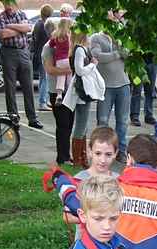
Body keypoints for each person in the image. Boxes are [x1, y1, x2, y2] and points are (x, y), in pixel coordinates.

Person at [0, 0, 43, 129]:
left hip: (23, 52)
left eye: (10, 3)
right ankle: (13, 118)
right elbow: (3, 34)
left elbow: (28, 28)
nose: (8, 7)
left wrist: (10, 26)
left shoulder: (22, 14)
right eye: (6, 4)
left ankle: (32, 118)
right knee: (10, 88)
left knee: (28, 87)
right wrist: (19, 28)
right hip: (8, 53)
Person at [90, 31, 131, 161]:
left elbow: (128, 53)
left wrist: (119, 52)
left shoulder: (122, 35)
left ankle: (121, 151)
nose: (115, 15)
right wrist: (117, 54)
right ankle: (101, 150)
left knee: (123, 121)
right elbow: (98, 56)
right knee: (102, 121)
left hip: (123, 84)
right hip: (105, 86)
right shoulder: (97, 37)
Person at [63, 31, 102, 168]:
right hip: (82, 92)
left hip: (83, 91)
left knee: (83, 126)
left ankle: (82, 157)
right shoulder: (79, 50)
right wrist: (93, 64)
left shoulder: (81, 49)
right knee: (81, 125)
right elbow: (80, 71)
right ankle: (78, 159)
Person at [42, 33, 74, 165]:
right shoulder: (48, 48)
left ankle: (66, 155)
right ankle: (62, 157)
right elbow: (50, 69)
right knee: (63, 125)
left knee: (70, 123)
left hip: (70, 90)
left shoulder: (69, 44)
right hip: (56, 91)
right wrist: (70, 70)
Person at [31, 4, 53, 112]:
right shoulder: (45, 25)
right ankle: (43, 102)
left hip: (39, 54)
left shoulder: (38, 24)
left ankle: (44, 101)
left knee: (43, 79)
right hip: (44, 55)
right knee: (45, 79)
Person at [48, 18, 73, 106]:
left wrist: (56, 47)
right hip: (68, 59)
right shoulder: (69, 35)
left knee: (61, 77)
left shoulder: (56, 35)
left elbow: (51, 45)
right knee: (69, 76)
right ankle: (69, 94)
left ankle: (59, 95)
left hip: (59, 60)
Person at [130, 56, 157, 127]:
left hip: (153, 62)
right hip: (138, 63)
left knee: (150, 90)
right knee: (137, 90)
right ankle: (135, 116)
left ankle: (149, 115)